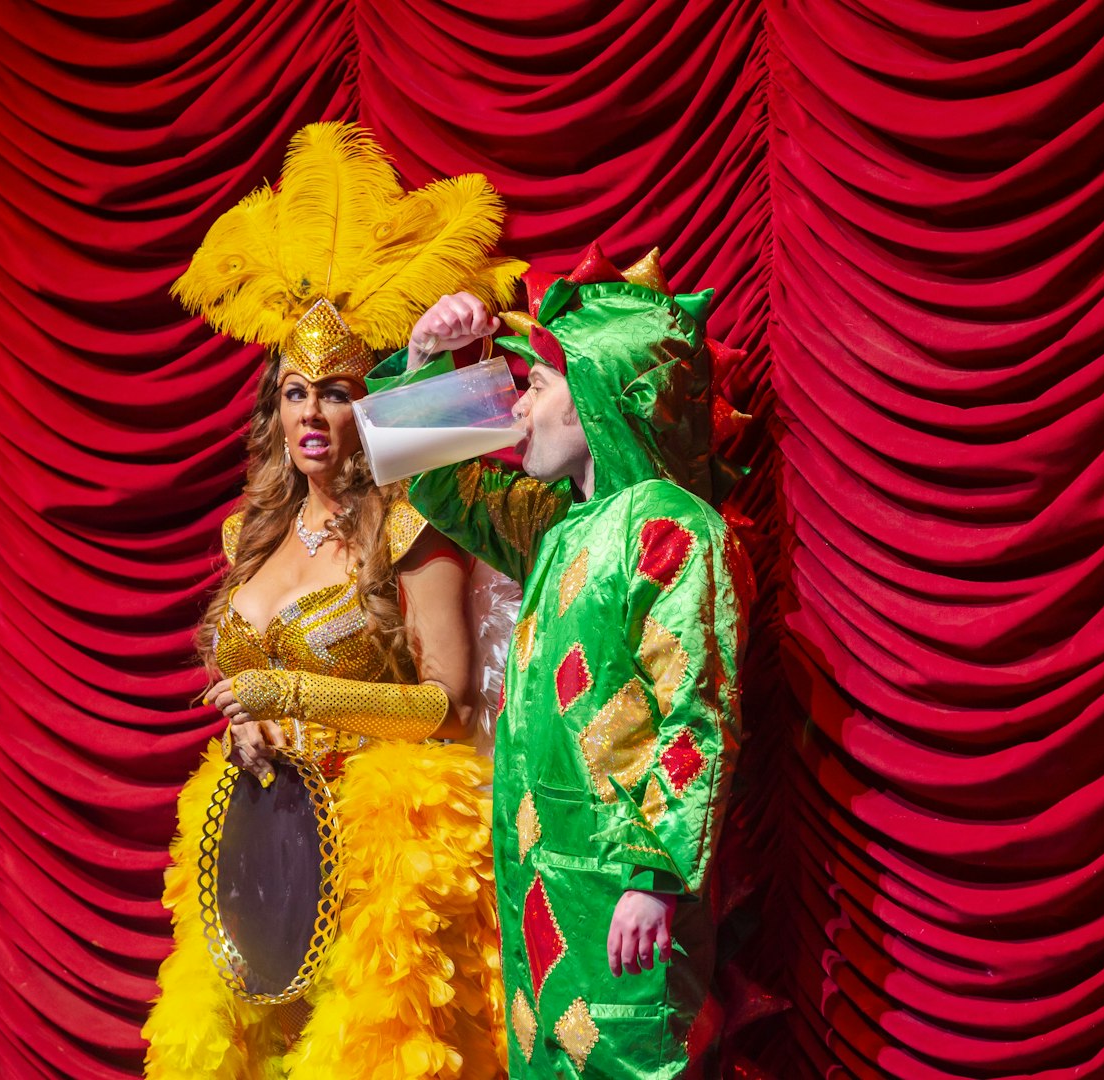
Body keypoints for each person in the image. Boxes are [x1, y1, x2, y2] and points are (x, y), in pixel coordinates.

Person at [142, 121, 525, 1080]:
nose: (313, 414)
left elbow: (449, 704)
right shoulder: (249, 533)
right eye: (295, 391)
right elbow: (247, 689)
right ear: (273, 406)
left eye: (338, 391)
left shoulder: (411, 524)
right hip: (265, 837)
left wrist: (297, 699)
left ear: (372, 402)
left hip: (381, 855)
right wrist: (250, 729)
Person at [367, 245, 752, 1078]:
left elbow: (697, 710)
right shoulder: (558, 525)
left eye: (537, 387)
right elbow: (433, 483)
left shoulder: (671, 528)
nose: (518, 409)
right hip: (544, 891)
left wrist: (657, 875)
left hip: (622, 892)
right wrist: (431, 360)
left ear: (598, 403)